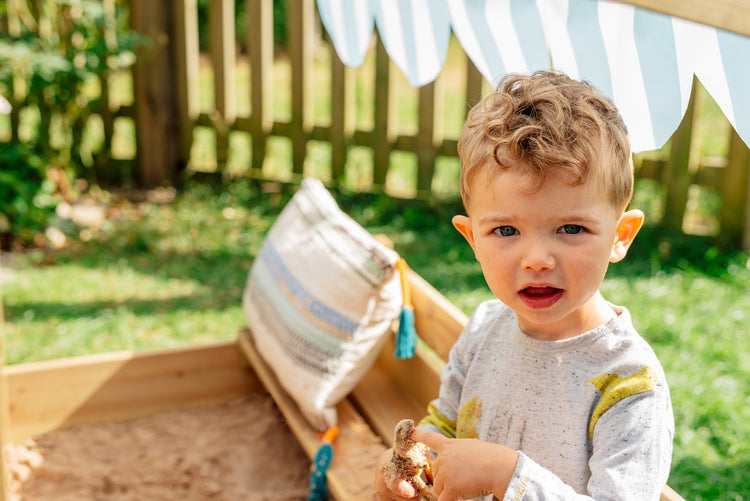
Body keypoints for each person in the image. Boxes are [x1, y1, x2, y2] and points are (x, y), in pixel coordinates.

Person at [374, 71, 674, 501]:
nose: (536, 259)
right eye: (505, 231)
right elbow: (445, 427)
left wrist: (509, 477)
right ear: (472, 239)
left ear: (620, 236)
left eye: (571, 227)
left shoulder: (628, 385)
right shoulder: (483, 331)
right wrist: (408, 465)